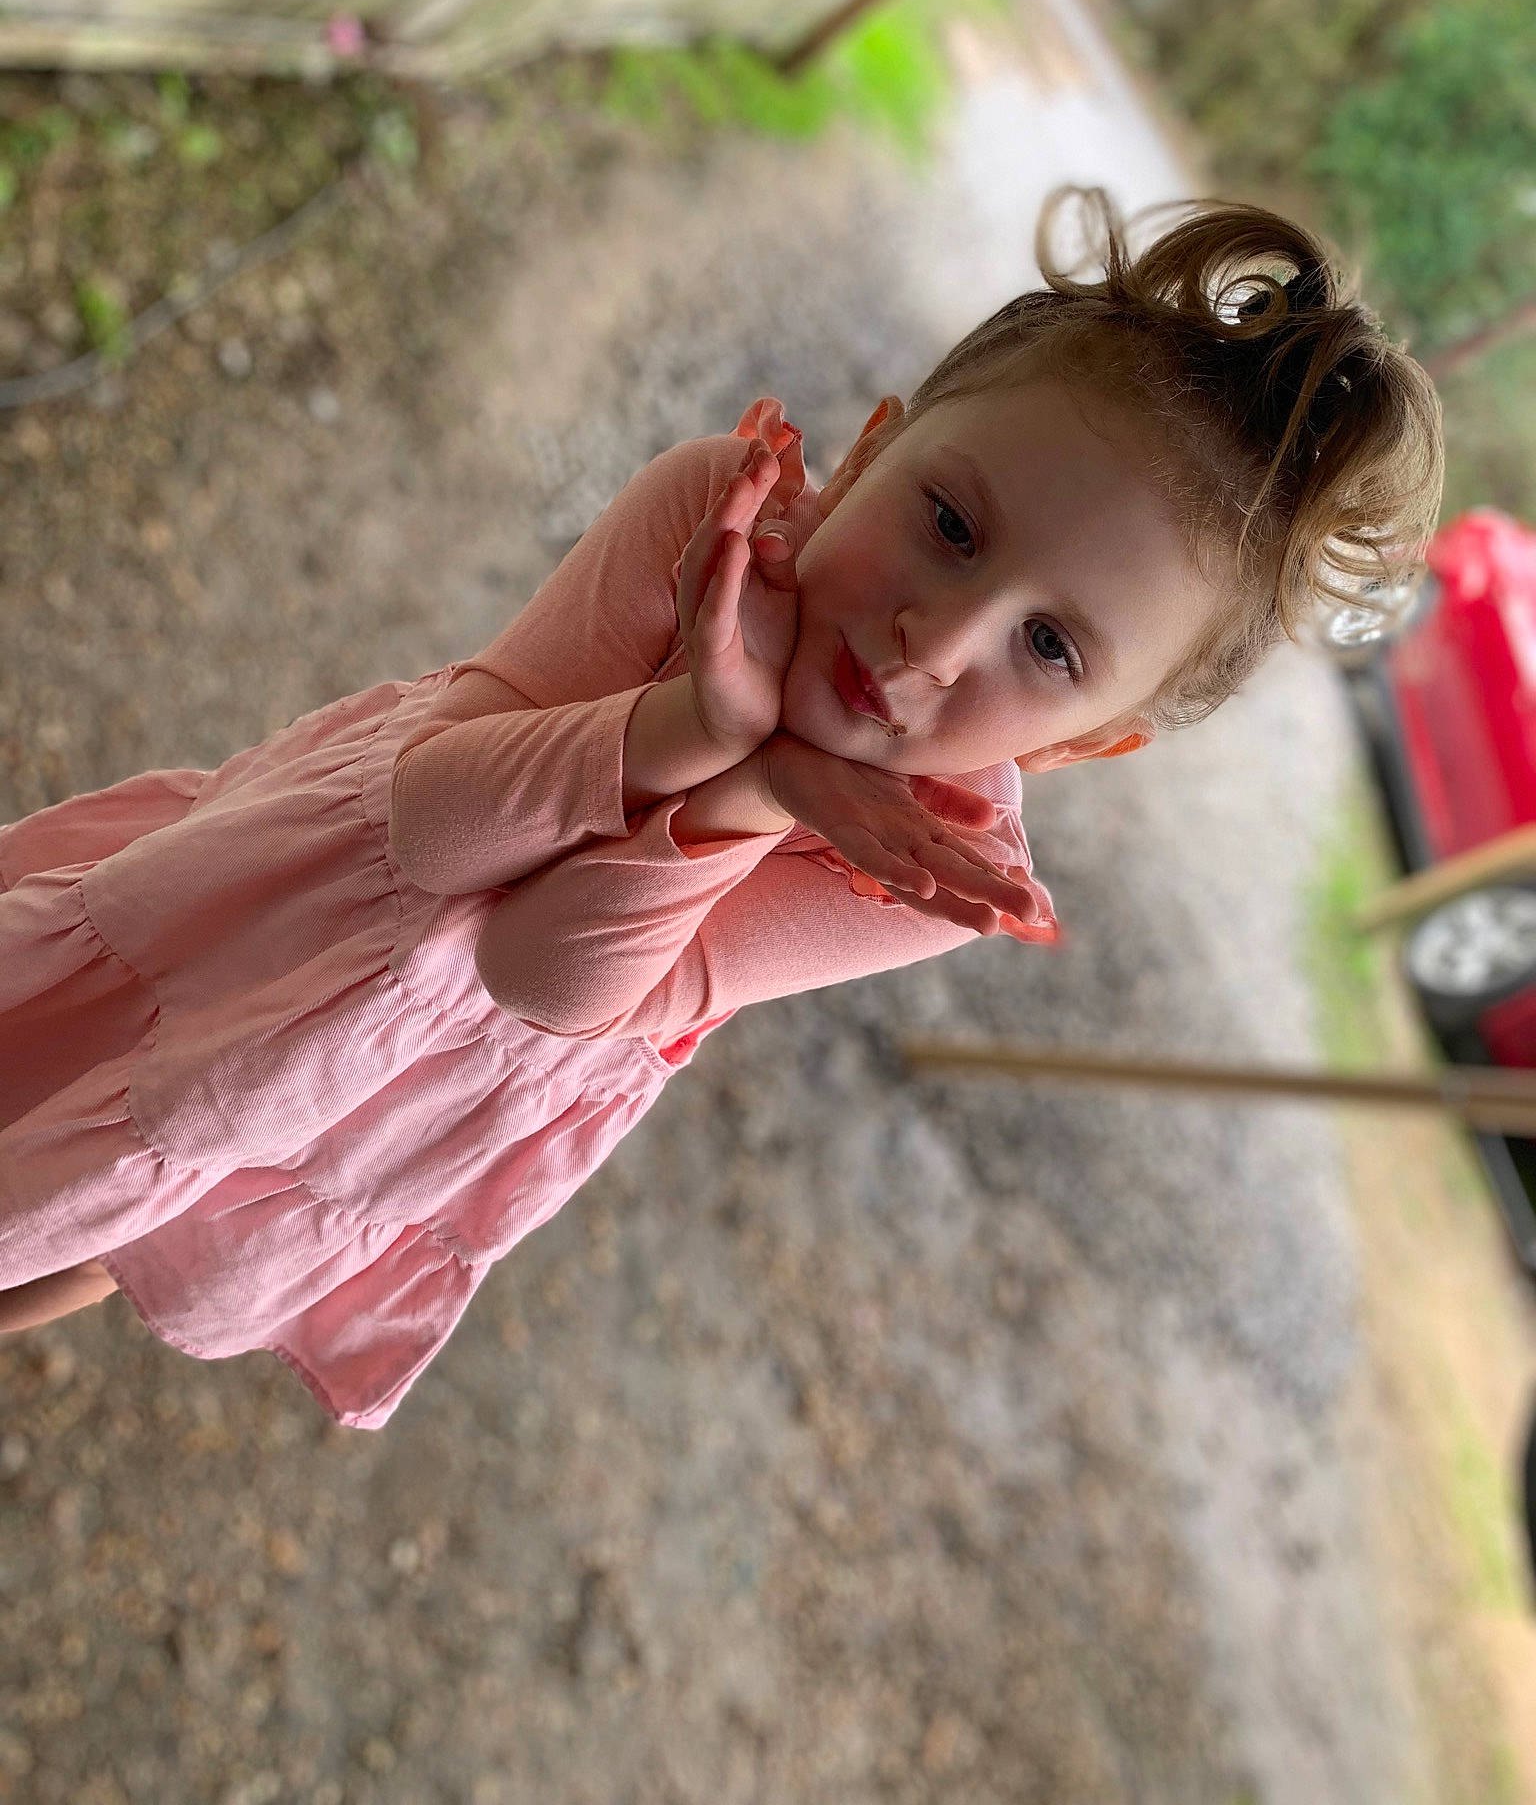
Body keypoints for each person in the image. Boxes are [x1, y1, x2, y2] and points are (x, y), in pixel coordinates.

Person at [0, 188, 1443, 1428]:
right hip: (301, 887)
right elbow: (434, 836)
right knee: (71, 1050)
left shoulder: (931, 864)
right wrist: (692, 712)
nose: (931, 644)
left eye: (1049, 649)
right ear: (875, 445)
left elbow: (535, 972)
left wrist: (751, 787)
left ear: (1088, 746)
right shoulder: (716, 510)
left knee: (129, 1204)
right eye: (948, 524)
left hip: (409, 1084)